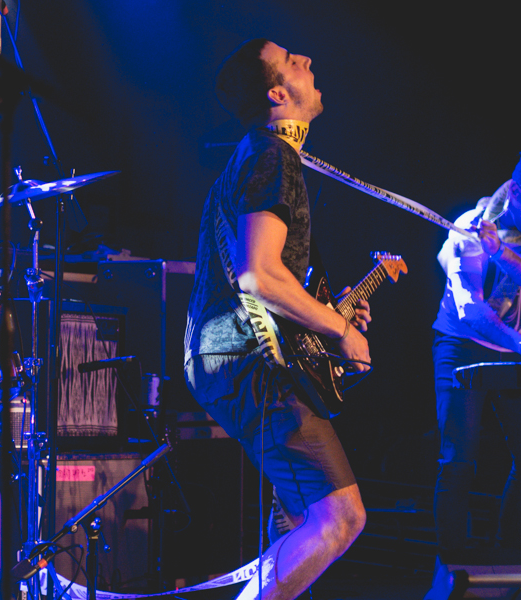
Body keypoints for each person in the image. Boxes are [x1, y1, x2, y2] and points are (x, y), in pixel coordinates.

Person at [184, 39, 371, 600]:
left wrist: (319, 314)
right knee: (339, 517)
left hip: (233, 353)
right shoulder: (272, 156)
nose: (307, 61)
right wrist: (340, 329)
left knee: (295, 521)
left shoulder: (256, 154)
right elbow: (258, 276)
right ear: (276, 94)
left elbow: (262, 278)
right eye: (292, 62)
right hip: (250, 361)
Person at [426, 148, 521, 599]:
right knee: (458, 460)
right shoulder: (469, 227)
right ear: (517, 190)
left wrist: (501, 251)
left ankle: (505, 557)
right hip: (460, 342)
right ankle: (453, 568)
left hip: (511, 346)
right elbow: (471, 314)